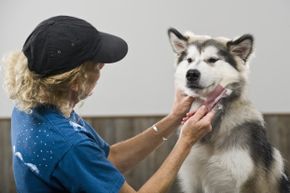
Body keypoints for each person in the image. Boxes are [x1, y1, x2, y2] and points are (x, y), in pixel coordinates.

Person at [2, 15, 215, 193]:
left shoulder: (31, 107)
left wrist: (173, 119)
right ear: (76, 81)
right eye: (96, 63)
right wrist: (185, 141)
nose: (103, 66)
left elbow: (109, 159)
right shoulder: (69, 144)